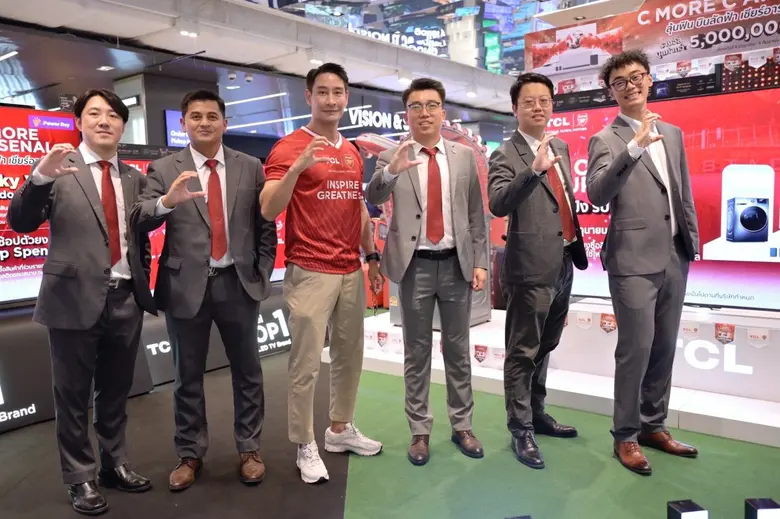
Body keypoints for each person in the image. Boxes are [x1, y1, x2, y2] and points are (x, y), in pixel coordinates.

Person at [8, 89, 155, 515]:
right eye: (94, 113)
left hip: (124, 299)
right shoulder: (58, 169)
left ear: (123, 125)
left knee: (115, 391)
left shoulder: (134, 177)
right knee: (72, 396)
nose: (104, 121)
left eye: (113, 115)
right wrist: (39, 178)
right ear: (79, 122)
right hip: (71, 300)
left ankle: (114, 463)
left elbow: (136, 237)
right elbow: (20, 222)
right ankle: (80, 477)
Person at [131, 90, 277, 490]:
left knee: (248, 372)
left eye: (212, 116)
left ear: (225, 123)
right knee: (187, 377)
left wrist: (262, 271)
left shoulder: (250, 167)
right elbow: (140, 217)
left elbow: (265, 224)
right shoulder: (164, 168)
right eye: (195, 116)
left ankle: (250, 448)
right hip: (185, 286)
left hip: (238, 283)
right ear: (183, 124)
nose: (204, 123)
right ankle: (190, 453)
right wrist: (166, 201)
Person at [260, 63, 383, 484]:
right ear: (308, 97)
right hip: (310, 269)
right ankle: (304, 444)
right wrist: (297, 168)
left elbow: (357, 208)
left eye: (338, 92)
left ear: (347, 97)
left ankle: (340, 429)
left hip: (350, 269)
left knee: (349, 355)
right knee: (306, 364)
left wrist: (372, 256)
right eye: (323, 92)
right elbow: (268, 208)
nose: (331, 100)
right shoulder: (289, 147)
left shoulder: (351, 151)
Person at [586, 49, 700, 475]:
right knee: (635, 349)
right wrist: (634, 147)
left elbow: (682, 191)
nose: (630, 85)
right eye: (620, 82)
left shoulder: (673, 133)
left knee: (665, 346)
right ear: (611, 91)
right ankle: (626, 436)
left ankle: (654, 426)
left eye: (636, 77)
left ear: (649, 80)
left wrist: (690, 243)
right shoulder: (606, 139)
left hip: (674, 254)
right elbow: (597, 193)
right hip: (631, 258)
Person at [365, 77, 489, 467]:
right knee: (416, 353)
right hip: (414, 266)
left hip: (456, 264)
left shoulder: (463, 156)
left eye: (431, 105)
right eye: (416, 106)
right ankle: (419, 431)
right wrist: (390, 171)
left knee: (458, 351)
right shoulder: (393, 155)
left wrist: (481, 261)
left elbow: (476, 214)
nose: (424, 112)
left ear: (443, 112)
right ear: (407, 114)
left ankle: (462, 425)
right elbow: (373, 196)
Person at [487, 73, 588, 469]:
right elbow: (498, 203)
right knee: (522, 351)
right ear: (515, 108)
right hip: (528, 267)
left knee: (546, 345)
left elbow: (562, 202)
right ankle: (521, 429)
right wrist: (533, 170)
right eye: (529, 101)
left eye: (544, 100)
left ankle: (537, 413)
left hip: (563, 260)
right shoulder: (504, 153)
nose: (538, 107)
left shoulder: (559, 145)